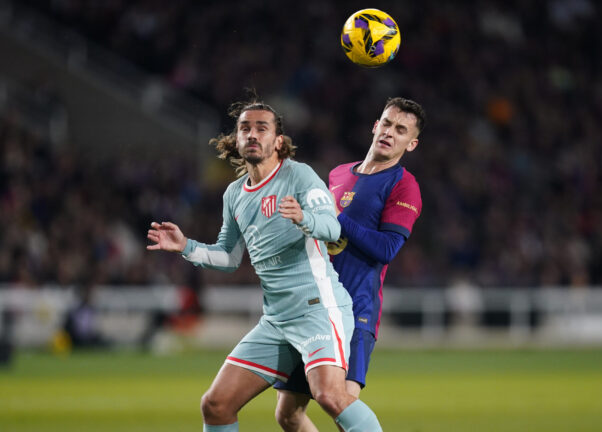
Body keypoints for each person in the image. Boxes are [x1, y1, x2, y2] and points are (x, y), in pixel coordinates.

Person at [146, 99, 382, 432]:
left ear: (279, 141)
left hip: (318, 309)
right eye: (245, 128)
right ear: (237, 139)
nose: (252, 134)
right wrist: (187, 247)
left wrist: (305, 218)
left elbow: (332, 227)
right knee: (215, 405)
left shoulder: (299, 176)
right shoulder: (234, 194)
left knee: (329, 395)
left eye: (262, 128)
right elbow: (229, 258)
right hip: (276, 321)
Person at [274, 97, 424, 431]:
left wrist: (337, 218)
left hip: (356, 308)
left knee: (343, 407)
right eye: (386, 123)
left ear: (411, 144)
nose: (390, 132)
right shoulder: (339, 173)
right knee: (288, 414)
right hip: (313, 306)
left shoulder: (404, 185)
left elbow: (386, 249)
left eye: (401, 130)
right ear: (375, 125)